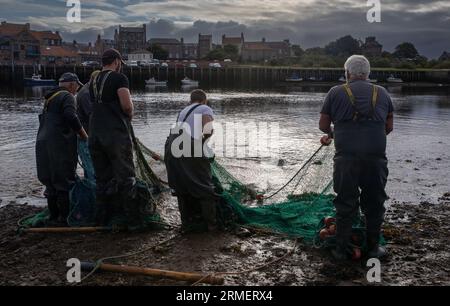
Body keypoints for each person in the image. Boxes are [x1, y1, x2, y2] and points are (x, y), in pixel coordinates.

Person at [319, 55, 394, 260]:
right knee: (374, 202)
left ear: (347, 73)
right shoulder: (383, 93)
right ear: (368, 74)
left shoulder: (335, 92)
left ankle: (341, 250)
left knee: (345, 202)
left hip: (346, 159)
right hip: (375, 158)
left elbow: (324, 125)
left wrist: (336, 133)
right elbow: (388, 127)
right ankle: (373, 248)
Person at [88, 49, 135, 225]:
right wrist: (130, 114)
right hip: (115, 134)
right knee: (126, 176)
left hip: (95, 133)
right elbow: (126, 105)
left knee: (102, 177)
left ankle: (102, 217)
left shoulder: (93, 80)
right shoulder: (119, 78)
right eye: (120, 63)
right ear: (116, 61)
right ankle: (130, 218)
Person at [36, 72, 88, 225]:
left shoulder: (49, 98)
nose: (76, 90)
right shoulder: (67, 97)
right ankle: (64, 218)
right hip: (59, 145)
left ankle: (53, 216)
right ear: (72, 84)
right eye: (76, 87)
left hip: (42, 144)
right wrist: (84, 135)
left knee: (50, 182)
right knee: (64, 181)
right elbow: (71, 116)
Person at [164, 89, 219, 232]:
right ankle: (211, 225)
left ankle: (186, 223)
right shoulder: (205, 108)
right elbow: (208, 130)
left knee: (182, 185)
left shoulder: (183, 111)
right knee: (204, 185)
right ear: (204, 100)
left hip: (171, 146)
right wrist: (201, 143)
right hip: (189, 145)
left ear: (191, 100)